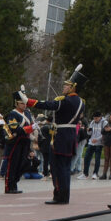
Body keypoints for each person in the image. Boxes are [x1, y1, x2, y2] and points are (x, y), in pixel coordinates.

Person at [22, 65, 88, 204]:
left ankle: (59, 195)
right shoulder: (81, 102)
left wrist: (28, 101)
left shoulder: (65, 101)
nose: (64, 88)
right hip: (70, 136)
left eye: (66, 86)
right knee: (65, 168)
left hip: (61, 136)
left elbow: (47, 104)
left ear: (73, 88)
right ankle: (65, 196)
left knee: (57, 168)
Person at [2, 91, 34, 194]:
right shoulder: (13, 114)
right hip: (16, 142)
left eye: (25, 103)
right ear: (16, 103)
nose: (24, 105)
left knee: (23, 163)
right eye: (21, 103)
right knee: (13, 164)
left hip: (25, 142)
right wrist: (30, 128)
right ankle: (10, 186)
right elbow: (14, 128)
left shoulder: (28, 113)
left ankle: (15, 182)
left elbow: (30, 126)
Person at [80, 112, 104, 179]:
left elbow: (104, 133)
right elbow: (90, 133)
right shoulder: (92, 122)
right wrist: (88, 131)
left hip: (99, 143)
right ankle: (85, 174)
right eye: (94, 118)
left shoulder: (103, 122)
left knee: (97, 159)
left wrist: (97, 139)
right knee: (86, 158)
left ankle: (95, 173)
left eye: (96, 118)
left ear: (100, 117)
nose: (95, 119)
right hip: (91, 143)